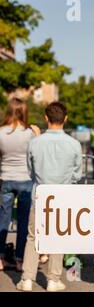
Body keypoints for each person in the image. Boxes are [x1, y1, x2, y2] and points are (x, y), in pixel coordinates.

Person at [16, 102, 82, 292]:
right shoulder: (74, 144)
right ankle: (53, 279)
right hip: (63, 194)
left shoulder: (35, 143)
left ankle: (27, 278)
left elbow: (31, 171)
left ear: (46, 118)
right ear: (65, 119)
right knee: (58, 236)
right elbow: (77, 175)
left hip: (40, 194)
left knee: (33, 236)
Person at [0, 98, 40, 272]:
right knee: (23, 222)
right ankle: (20, 260)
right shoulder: (30, 133)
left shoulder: (1, 132)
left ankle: (0, 258)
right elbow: (37, 154)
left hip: (5, 178)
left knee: (3, 220)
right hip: (25, 179)